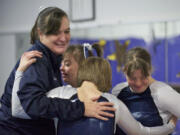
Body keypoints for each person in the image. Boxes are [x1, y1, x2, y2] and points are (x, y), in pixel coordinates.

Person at [13, 44, 176, 135]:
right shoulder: (113, 103)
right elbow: (141, 133)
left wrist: (19, 72)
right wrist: (169, 128)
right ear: (106, 77)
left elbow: (18, 109)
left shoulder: (59, 93)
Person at [0, 7, 115, 135]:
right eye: (56, 32)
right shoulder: (36, 60)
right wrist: (81, 109)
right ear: (41, 33)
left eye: (66, 31)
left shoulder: (52, 60)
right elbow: (30, 105)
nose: (63, 38)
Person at [112, 47, 180, 135]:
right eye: (132, 78)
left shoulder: (162, 93)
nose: (138, 83)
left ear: (150, 70)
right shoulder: (117, 91)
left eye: (143, 77)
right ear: (124, 72)